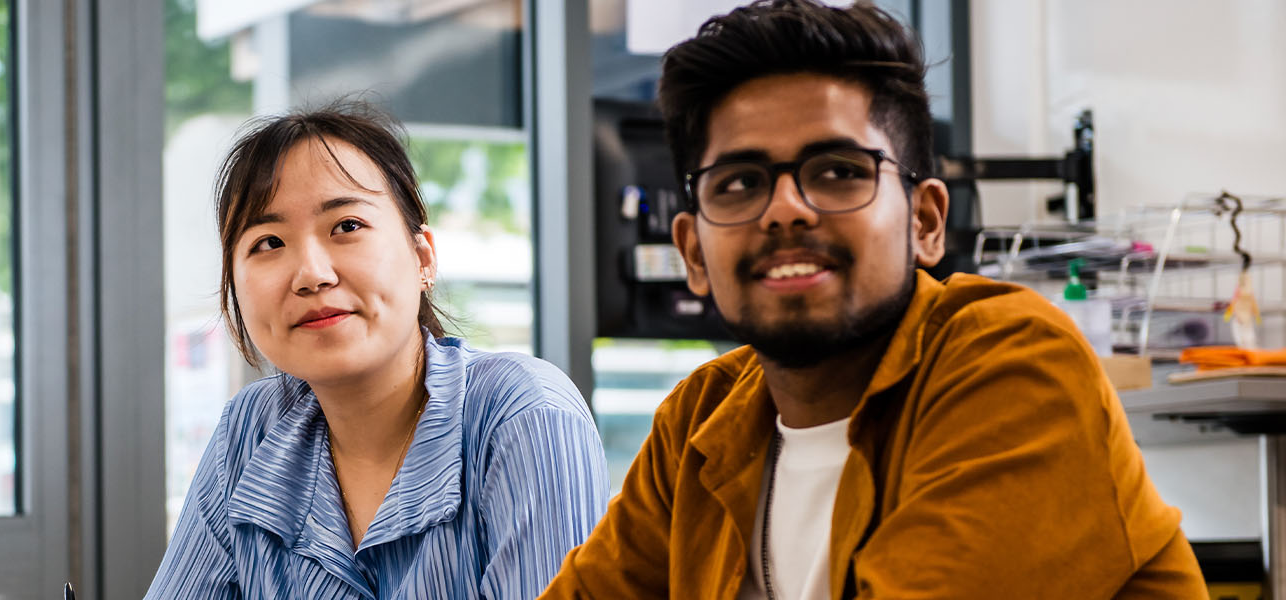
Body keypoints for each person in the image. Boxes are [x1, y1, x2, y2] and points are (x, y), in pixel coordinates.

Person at [541, 1, 1208, 598]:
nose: (786, 209)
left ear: (925, 222)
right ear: (692, 252)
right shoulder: (700, 424)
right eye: (740, 183)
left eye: (838, 172)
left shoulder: (1013, 364)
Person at [144, 101, 608, 599]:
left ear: (422, 256)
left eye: (346, 226)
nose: (312, 274)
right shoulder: (250, 432)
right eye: (269, 242)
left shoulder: (521, 414)